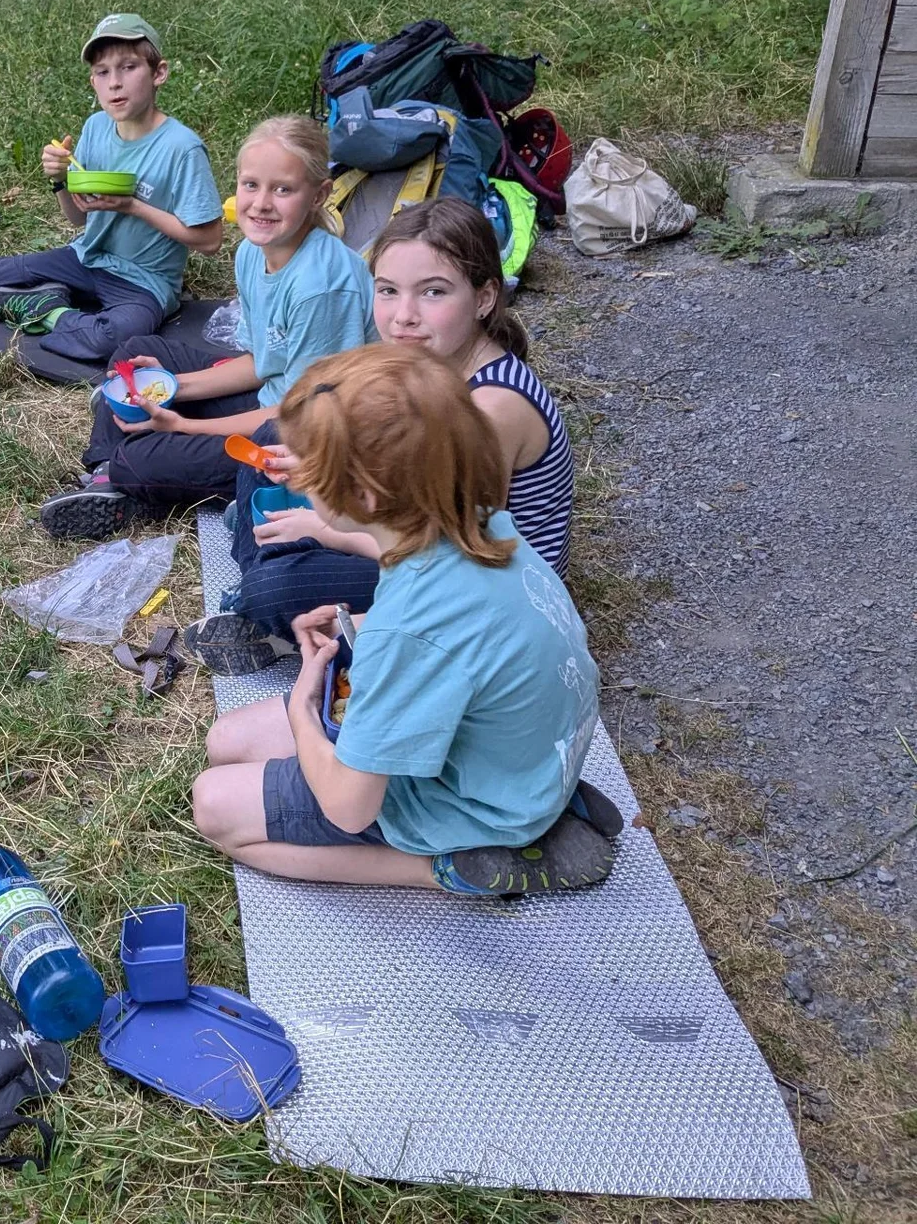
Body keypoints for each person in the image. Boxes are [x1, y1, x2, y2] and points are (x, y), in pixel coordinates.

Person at [191, 345, 620, 897]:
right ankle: (544, 805)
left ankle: (453, 868)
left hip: (474, 802)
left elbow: (349, 807)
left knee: (214, 805)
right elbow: (462, 633)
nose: (296, 480)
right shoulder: (482, 519)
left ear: (365, 494)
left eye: (311, 471)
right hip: (525, 760)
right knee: (226, 739)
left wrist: (304, 707)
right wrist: (357, 612)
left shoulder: (409, 630)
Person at [228, 197, 574, 638]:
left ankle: (264, 594)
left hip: (493, 592)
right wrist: (322, 466)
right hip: (435, 536)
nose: (403, 317)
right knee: (274, 436)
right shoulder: (431, 365)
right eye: (388, 290)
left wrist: (329, 531)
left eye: (433, 292)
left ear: (485, 297)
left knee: (275, 587)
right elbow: (403, 468)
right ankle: (266, 579)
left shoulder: (492, 408)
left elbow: (456, 553)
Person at [38, 116, 374, 539]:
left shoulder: (320, 286)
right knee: (137, 355)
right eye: (251, 185)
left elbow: (304, 418)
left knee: (142, 458)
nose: (262, 203)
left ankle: (127, 470)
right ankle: (107, 475)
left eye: (283, 189)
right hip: (275, 397)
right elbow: (261, 363)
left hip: (311, 440)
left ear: (319, 196)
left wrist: (184, 426)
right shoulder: (254, 253)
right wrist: (170, 386)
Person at [0, 13, 223, 366]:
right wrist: (60, 179)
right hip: (87, 258)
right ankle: (59, 303)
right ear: (93, 82)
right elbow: (79, 219)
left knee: (112, 339)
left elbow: (210, 241)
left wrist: (133, 207)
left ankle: (48, 311)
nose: (115, 83)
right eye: (103, 72)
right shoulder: (96, 127)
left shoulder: (181, 148)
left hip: (144, 281)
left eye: (128, 68)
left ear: (159, 72)